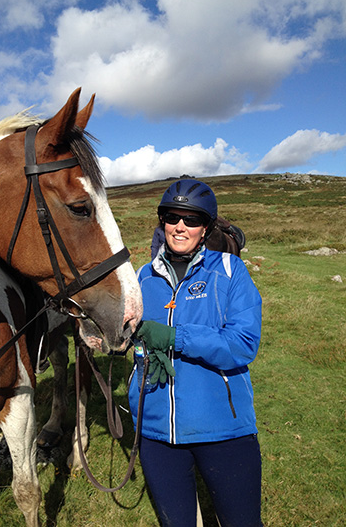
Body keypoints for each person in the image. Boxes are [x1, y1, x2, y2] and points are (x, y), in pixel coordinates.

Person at [128, 179, 263, 527]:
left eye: (191, 219)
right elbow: (132, 336)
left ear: (205, 228)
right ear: (163, 223)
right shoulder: (143, 277)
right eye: (172, 217)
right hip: (157, 432)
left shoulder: (231, 271)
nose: (180, 227)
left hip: (224, 430)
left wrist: (176, 337)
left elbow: (242, 343)